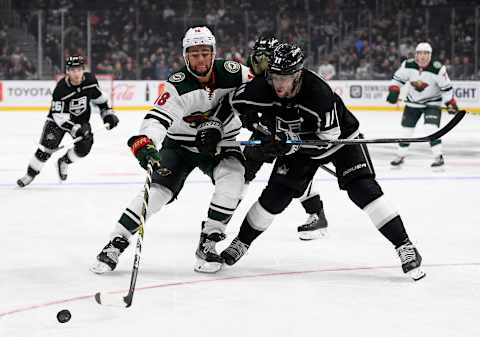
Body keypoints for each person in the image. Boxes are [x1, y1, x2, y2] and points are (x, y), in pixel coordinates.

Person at [218, 43, 425, 281]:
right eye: (274, 77)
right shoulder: (261, 87)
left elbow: (327, 142)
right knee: (274, 197)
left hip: (340, 141)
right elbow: (233, 104)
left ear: (298, 75)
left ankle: (405, 246)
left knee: (363, 190)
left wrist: (290, 143)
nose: (278, 84)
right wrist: (256, 126)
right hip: (295, 145)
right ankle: (241, 242)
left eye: (285, 78)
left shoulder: (319, 94)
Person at [91, 26, 252, 274]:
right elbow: (158, 118)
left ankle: (209, 242)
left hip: (222, 143)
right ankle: (116, 241)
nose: (201, 59)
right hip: (179, 145)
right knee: (156, 193)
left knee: (233, 180)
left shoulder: (235, 73)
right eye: (194, 54)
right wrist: (146, 142)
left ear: (214, 53)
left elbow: (265, 91)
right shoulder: (177, 85)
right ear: (185, 56)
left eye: (205, 52)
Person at [244, 36, 328, 240]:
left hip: (289, 130)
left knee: (291, 174)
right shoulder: (254, 73)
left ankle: (317, 214)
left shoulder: (294, 80)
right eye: (258, 57)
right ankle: (224, 213)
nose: (260, 62)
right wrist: (249, 116)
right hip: (267, 130)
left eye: (266, 58)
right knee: (244, 170)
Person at [16, 56, 119, 187]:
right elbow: (59, 117)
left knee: (84, 147)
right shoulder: (60, 89)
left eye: (79, 70)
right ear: (67, 71)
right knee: (46, 149)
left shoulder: (90, 81)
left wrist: (108, 115)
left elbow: (101, 100)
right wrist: (76, 130)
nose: (76, 73)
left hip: (81, 120)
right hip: (57, 122)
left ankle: (64, 162)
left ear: (83, 70)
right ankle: (30, 174)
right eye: (73, 70)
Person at [387, 42, 458, 168]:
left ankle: (438, 157)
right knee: (406, 132)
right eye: (420, 53)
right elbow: (397, 79)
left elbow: (446, 88)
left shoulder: (438, 69)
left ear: (430, 55)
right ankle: (400, 155)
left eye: (426, 54)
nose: (422, 57)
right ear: (416, 54)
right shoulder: (408, 65)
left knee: (431, 129)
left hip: (432, 104)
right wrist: (394, 90)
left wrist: (450, 102)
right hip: (412, 104)